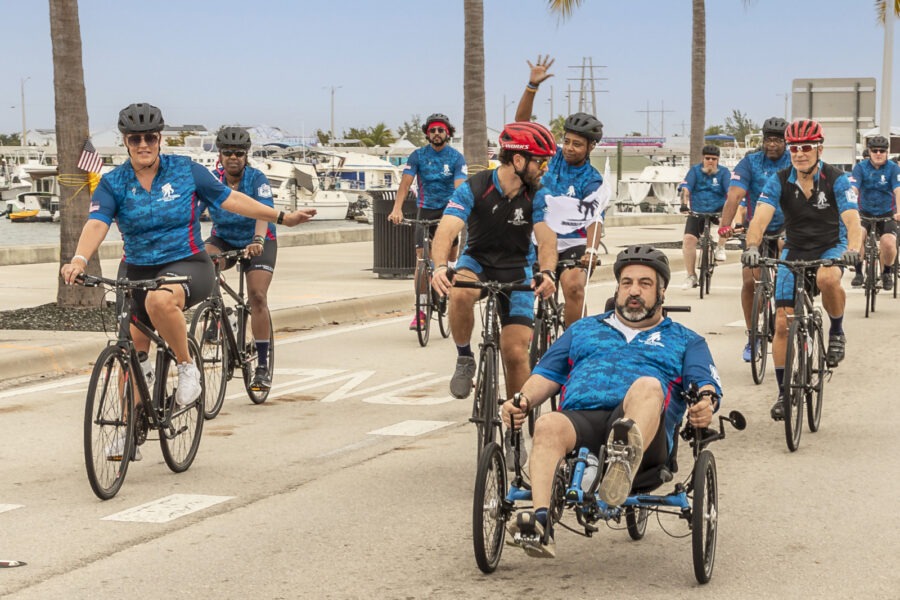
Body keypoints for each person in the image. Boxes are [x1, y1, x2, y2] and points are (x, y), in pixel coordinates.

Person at [60, 103, 315, 456]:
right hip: (136, 267)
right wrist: (79, 257)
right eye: (135, 139)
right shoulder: (113, 182)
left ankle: (187, 368)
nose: (143, 144)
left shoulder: (185, 171)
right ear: (126, 142)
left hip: (187, 263)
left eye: (150, 137)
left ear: (159, 138)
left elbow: (233, 200)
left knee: (159, 300)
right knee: (131, 353)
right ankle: (129, 428)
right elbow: (97, 223)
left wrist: (282, 217)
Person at [501, 245, 722, 558]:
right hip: (582, 422)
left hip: (647, 435)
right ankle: (540, 523)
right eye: (627, 283)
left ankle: (621, 464)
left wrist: (706, 404)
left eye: (645, 284)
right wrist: (521, 400)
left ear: (662, 292)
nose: (634, 291)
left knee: (647, 385)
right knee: (548, 423)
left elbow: (706, 384)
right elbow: (546, 375)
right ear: (617, 288)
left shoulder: (685, 339)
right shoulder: (583, 330)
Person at [430, 121, 558, 406]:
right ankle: (465, 358)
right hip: (477, 261)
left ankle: (514, 421)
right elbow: (447, 229)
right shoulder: (475, 187)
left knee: (514, 352)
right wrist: (439, 266)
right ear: (518, 160)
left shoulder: (538, 193)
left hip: (518, 268)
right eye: (541, 162)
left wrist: (548, 271)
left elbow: (547, 239)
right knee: (460, 292)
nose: (545, 168)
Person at [741, 119, 861, 420]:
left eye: (806, 147)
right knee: (782, 323)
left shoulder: (836, 179)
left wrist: (853, 251)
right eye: (794, 148)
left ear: (819, 148)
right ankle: (784, 393)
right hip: (794, 250)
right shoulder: (780, 180)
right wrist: (752, 248)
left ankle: (836, 331)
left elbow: (852, 220)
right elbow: (760, 219)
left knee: (827, 277)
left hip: (831, 246)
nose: (800, 153)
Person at [513, 55, 607, 326]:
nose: (569, 148)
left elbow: (595, 218)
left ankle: (572, 345)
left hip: (572, 243)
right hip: (535, 237)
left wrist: (591, 250)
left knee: (575, 287)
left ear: (591, 147)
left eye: (577, 144)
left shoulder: (593, 179)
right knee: (519, 289)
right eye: (566, 141)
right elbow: (521, 125)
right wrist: (532, 87)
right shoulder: (549, 157)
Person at [204, 126, 278, 391]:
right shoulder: (211, 180)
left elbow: (263, 212)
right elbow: (190, 212)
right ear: (220, 155)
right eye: (227, 153)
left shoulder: (257, 179)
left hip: (258, 241)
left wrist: (258, 240)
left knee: (257, 296)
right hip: (223, 237)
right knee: (202, 263)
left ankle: (261, 365)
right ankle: (220, 317)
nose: (233, 158)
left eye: (238, 153)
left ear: (246, 156)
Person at [718, 117, 791, 361]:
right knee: (750, 280)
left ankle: (792, 315)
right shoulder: (750, 162)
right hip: (756, 228)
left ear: (785, 142)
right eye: (768, 139)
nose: (772, 145)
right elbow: (735, 195)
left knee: (788, 276)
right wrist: (725, 226)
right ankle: (752, 336)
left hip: (787, 226)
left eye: (778, 140)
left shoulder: (793, 161)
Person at [387, 113, 467, 330]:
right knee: (421, 260)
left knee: (450, 258)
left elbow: (460, 186)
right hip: (425, 211)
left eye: (441, 130)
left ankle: (448, 288)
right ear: (427, 133)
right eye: (432, 130)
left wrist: (465, 210)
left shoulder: (456, 158)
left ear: (447, 133)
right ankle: (421, 310)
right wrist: (397, 209)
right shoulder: (418, 156)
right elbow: (405, 184)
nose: (437, 133)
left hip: (448, 212)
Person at [849, 135, 900, 291]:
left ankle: (886, 272)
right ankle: (858, 272)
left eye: (882, 151)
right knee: (858, 236)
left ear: (887, 152)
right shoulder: (860, 167)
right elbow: (854, 189)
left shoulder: (893, 168)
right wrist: (849, 207)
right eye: (875, 150)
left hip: (887, 213)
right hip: (864, 212)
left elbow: (898, 190)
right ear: (869, 152)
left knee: (889, 244)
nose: (878, 153)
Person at [679, 145, 731, 289]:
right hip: (698, 209)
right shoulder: (695, 171)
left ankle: (720, 247)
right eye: (707, 158)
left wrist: (731, 207)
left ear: (718, 160)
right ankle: (691, 276)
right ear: (703, 158)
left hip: (717, 209)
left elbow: (730, 191)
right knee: (688, 240)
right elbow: (686, 189)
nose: (710, 161)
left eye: (714, 159)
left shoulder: (724, 172)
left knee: (725, 219)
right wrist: (684, 204)